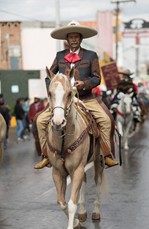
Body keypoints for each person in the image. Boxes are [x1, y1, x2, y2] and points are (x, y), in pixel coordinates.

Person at [34, 21, 118, 169]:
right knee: (40, 121)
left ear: (81, 39)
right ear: (67, 39)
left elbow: (97, 78)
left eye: (76, 37)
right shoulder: (59, 56)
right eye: (70, 37)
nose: (73, 39)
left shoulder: (91, 55)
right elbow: (49, 76)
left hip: (85, 98)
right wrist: (53, 90)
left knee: (105, 120)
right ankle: (46, 155)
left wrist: (84, 84)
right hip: (62, 100)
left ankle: (106, 154)